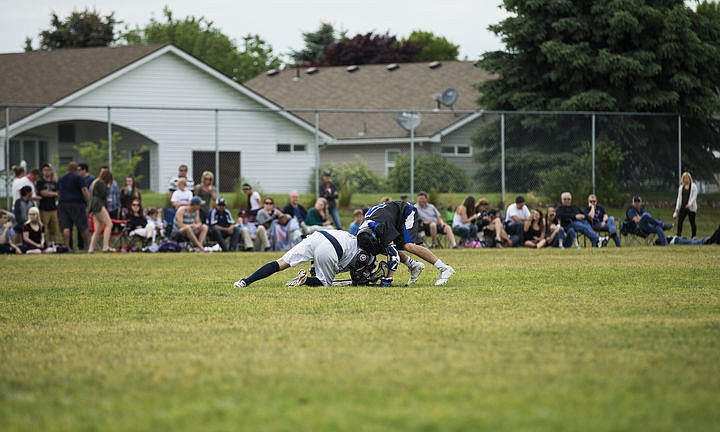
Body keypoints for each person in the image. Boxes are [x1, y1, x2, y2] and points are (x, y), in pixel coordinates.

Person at [357, 200, 455, 286]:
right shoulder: (362, 231)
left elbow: (394, 256)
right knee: (381, 248)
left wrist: (388, 279)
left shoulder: (381, 227)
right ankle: (414, 265)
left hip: (406, 211)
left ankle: (444, 268)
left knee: (408, 246)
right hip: (392, 217)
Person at [233, 229, 373, 288]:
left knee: (281, 263)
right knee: (323, 282)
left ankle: (245, 281)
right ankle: (304, 280)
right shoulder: (360, 252)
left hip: (317, 236)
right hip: (332, 248)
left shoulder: (349, 235)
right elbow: (355, 270)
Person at [57, 162, 90, 251]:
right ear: (76, 169)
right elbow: (84, 189)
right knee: (82, 226)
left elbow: (58, 192)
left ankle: (67, 247)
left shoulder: (62, 178)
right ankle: (88, 246)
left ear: (68, 169)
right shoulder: (79, 178)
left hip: (63, 204)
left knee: (66, 226)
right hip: (77, 204)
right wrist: (88, 201)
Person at [88, 169, 114, 253]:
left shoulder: (95, 182)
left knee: (98, 229)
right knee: (109, 224)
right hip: (98, 205)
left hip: (94, 205)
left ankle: (91, 249)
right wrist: (108, 187)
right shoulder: (101, 183)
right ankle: (105, 246)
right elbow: (104, 194)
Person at [36, 163, 60, 245]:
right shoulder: (40, 182)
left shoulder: (54, 182)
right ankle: (43, 244)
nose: (47, 172)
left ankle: (53, 245)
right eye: (45, 170)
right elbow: (43, 193)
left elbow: (59, 192)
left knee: (53, 229)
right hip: (44, 208)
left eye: (48, 170)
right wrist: (54, 194)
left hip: (53, 208)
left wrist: (53, 193)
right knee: (43, 228)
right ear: (42, 172)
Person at [673, 171, 698, 239]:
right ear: (683, 179)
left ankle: (694, 236)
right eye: (684, 178)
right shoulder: (681, 187)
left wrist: (690, 204)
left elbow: (694, 196)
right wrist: (677, 207)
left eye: (687, 178)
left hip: (691, 207)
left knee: (692, 221)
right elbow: (679, 198)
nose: (686, 179)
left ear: (690, 179)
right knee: (680, 220)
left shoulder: (693, 186)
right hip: (683, 207)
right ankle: (678, 234)